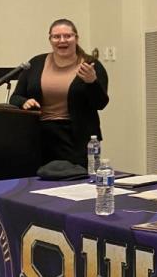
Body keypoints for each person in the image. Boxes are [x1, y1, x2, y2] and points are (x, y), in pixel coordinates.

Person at [11, 18, 109, 167]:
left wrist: (91, 82)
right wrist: (24, 102)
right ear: (50, 40)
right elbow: (15, 98)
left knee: (74, 184)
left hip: (76, 139)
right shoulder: (36, 63)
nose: (62, 40)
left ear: (76, 38)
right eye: (56, 37)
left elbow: (100, 103)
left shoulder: (90, 65)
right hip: (40, 136)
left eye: (67, 36)